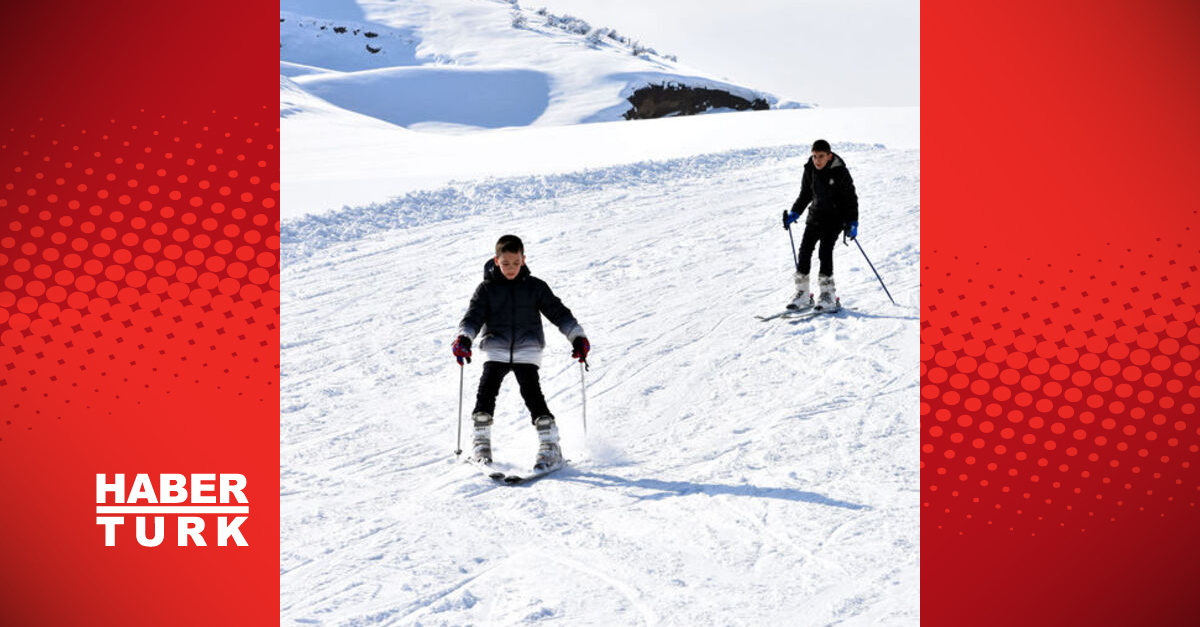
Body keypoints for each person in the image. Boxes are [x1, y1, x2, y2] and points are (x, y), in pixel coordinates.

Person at [452, 234, 589, 470]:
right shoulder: (486, 289)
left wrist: (577, 337)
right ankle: (481, 443)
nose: (511, 268)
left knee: (532, 394)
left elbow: (559, 313)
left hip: (527, 350)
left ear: (523, 259)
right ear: (496, 261)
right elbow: (473, 316)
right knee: (486, 393)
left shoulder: (535, 287)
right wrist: (464, 338)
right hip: (496, 350)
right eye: (506, 264)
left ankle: (550, 445)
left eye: (516, 263)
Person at [782, 139, 859, 311]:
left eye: (821, 156)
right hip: (816, 214)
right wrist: (795, 212)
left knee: (825, 251)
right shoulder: (810, 169)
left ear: (829, 156)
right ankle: (802, 293)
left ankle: (828, 295)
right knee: (804, 250)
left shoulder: (840, 171)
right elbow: (806, 194)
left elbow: (850, 198)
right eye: (814, 156)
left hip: (835, 217)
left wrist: (852, 221)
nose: (817, 160)